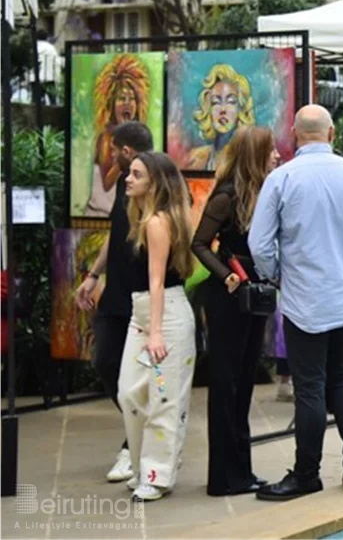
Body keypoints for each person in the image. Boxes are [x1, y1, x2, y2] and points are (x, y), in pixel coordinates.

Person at [250, 105, 343, 501]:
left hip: (305, 298)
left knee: (309, 386)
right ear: (331, 134)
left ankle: (307, 473)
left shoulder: (282, 178)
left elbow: (260, 244)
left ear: (294, 135)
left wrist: (276, 274)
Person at [191, 126, 279, 496]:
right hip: (229, 296)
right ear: (255, 155)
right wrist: (226, 275)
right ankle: (224, 477)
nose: (277, 156)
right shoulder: (227, 195)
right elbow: (199, 243)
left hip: (254, 294)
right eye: (270, 150)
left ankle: (241, 471)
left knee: (243, 381)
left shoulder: (264, 192)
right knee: (226, 382)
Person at [73, 121, 154, 484]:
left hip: (143, 295)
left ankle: (134, 445)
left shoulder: (157, 185)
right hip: (115, 293)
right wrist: (93, 275)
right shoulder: (125, 184)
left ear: (126, 150)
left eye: (114, 149)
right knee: (106, 361)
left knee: (140, 375)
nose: (111, 155)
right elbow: (115, 233)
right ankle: (141, 431)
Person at [116, 152, 198, 501]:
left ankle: (156, 474)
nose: (128, 179)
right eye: (130, 173)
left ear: (154, 183)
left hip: (165, 316)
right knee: (129, 392)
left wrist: (156, 332)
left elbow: (157, 279)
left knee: (164, 396)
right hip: (144, 314)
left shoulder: (157, 222)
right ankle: (141, 466)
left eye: (137, 174)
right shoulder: (141, 218)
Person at [86, 55, 153, 216]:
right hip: (100, 214)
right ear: (111, 104)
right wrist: (124, 158)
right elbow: (107, 184)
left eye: (132, 99)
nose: (127, 103)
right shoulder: (106, 139)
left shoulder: (139, 135)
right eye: (122, 98)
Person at [187, 64, 255, 171]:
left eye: (230, 102)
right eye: (216, 102)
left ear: (240, 109)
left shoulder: (250, 158)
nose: (223, 109)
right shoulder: (195, 159)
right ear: (208, 109)